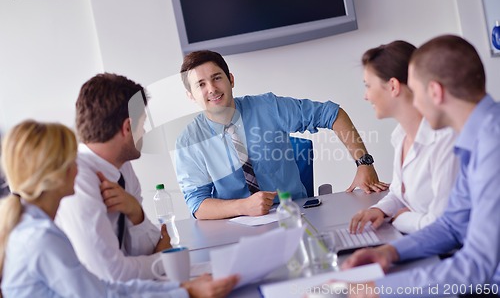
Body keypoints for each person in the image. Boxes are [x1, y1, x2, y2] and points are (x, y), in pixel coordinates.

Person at [0, 120, 238, 298]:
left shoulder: (33, 228)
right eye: (72, 159)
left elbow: (103, 288)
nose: (78, 166)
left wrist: (182, 288)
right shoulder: (40, 238)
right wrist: (186, 292)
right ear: (55, 174)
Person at [342, 35, 500, 297]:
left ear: (435, 92)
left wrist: (377, 290)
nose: (413, 103)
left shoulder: (492, 144)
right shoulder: (476, 139)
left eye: (416, 92)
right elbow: (452, 225)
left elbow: (476, 265)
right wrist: (390, 252)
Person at [175, 50, 388, 220]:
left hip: (296, 215)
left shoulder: (268, 107)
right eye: (200, 84)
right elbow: (197, 205)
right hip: (236, 226)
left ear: (231, 79)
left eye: (216, 78)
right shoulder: (188, 142)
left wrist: (364, 163)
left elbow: (332, 114)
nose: (212, 89)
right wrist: (244, 206)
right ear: (190, 95)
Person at [55, 74, 169, 281]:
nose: (144, 131)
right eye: (142, 123)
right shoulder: (76, 179)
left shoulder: (123, 168)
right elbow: (110, 274)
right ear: (127, 127)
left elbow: (141, 251)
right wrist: (164, 259)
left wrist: (136, 211)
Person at [349, 41, 458, 234]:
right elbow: (399, 193)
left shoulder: (445, 140)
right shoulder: (400, 136)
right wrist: (379, 210)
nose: (366, 96)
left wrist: (400, 219)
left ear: (393, 86)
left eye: (368, 86)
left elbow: (442, 224)